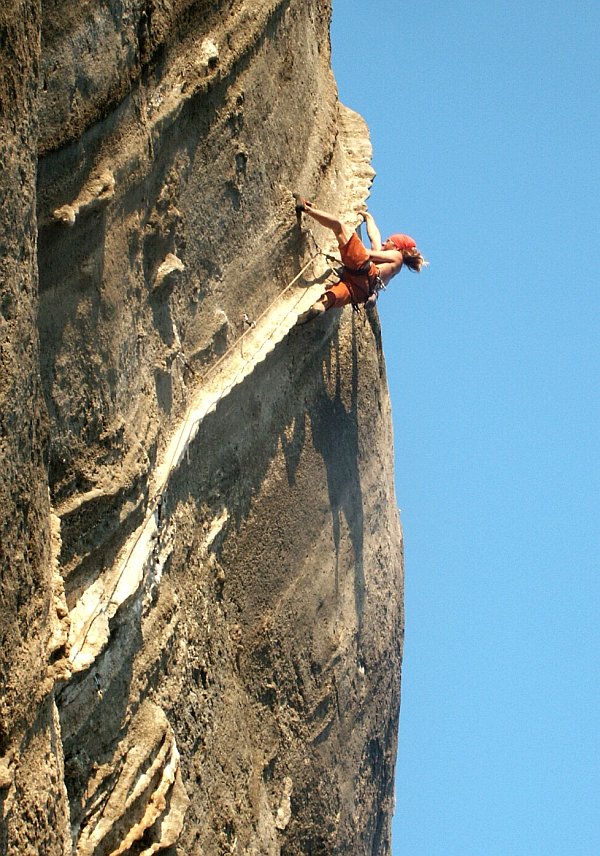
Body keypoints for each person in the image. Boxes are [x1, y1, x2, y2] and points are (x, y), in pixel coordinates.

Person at [294, 195, 426, 324]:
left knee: (339, 227)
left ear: (397, 247)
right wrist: (369, 218)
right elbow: (374, 236)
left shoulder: (397, 257)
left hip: (363, 269)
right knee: (329, 299)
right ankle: (318, 308)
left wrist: (350, 248)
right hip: (359, 291)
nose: (385, 243)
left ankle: (306, 208)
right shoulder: (391, 269)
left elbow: (368, 254)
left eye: (389, 241)